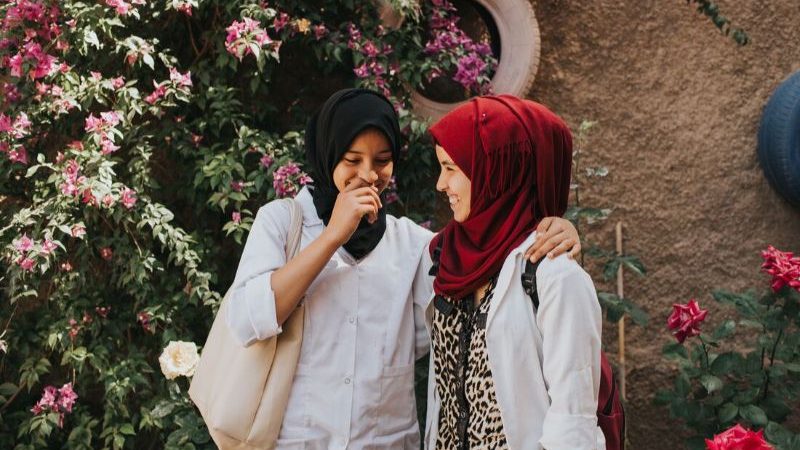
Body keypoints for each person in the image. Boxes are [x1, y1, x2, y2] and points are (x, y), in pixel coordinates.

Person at [224, 88, 582, 449]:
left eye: (382, 160)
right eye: (352, 159)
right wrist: (332, 236)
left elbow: (488, 251)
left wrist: (554, 227)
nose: (368, 174)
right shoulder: (284, 224)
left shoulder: (414, 245)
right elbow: (245, 321)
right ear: (328, 153)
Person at [425, 95, 605, 449]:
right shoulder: (445, 257)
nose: (440, 184)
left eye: (450, 168)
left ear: (496, 170)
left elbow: (573, 422)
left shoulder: (555, 277)